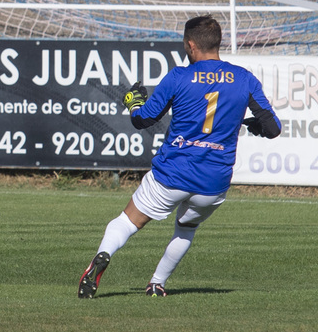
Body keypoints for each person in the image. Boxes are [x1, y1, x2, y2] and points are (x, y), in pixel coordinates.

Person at [77, 15, 281, 298]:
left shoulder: (179, 76)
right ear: (218, 43)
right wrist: (257, 126)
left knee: (128, 221)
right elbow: (273, 128)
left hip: (173, 173)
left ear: (190, 45)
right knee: (186, 228)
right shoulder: (244, 78)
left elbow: (143, 120)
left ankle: (103, 255)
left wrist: (133, 102)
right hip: (213, 181)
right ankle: (157, 284)